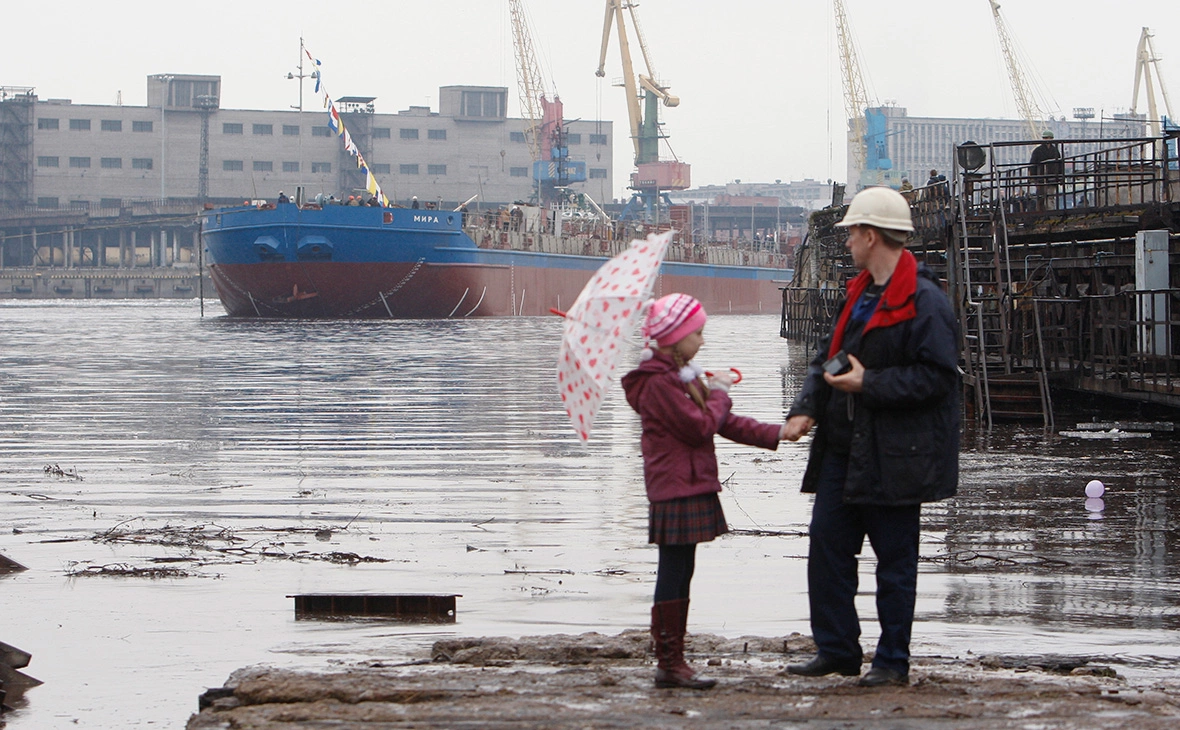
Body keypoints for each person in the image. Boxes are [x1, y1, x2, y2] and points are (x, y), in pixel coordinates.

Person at [782, 187, 960, 688]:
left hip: (896, 454)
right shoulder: (859, 292)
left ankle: (891, 663)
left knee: (895, 563)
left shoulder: (925, 302)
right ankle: (837, 649)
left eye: (853, 232)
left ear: (872, 235)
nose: (848, 240)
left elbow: (939, 379)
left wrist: (869, 383)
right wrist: (805, 409)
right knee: (827, 549)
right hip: (843, 445)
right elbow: (829, 357)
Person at [622, 294, 788, 690]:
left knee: (682, 570)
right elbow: (700, 426)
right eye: (697, 333)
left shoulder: (680, 375)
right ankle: (669, 662)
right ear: (675, 337)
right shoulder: (659, 383)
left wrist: (777, 433)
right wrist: (719, 390)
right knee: (674, 571)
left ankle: (673, 659)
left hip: (688, 484)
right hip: (674, 488)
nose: (702, 340)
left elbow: (721, 423)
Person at [1029, 130, 1063, 210]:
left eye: (1050, 138)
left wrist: (1060, 176)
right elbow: (1033, 165)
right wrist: (1034, 178)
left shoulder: (1054, 151)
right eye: (1046, 138)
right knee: (1041, 197)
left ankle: (1050, 212)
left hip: (1052, 177)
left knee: (1050, 196)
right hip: (1042, 178)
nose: (1048, 139)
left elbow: (1060, 164)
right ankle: (1042, 212)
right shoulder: (1038, 151)